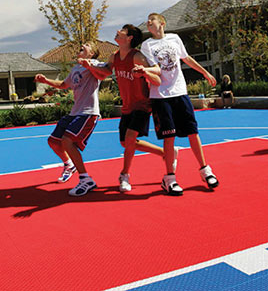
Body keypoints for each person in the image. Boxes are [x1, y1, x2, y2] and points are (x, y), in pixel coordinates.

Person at [79, 25, 177, 193]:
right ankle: (164, 153)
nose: (117, 31)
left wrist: (144, 72)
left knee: (130, 138)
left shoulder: (137, 56)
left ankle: (124, 175)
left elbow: (157, 79)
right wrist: (90, 67)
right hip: (127, 106)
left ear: (129, 38)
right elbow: (106, 71)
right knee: (126, 142)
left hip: (142, 104)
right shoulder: (114, 56)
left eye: (122, 30)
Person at [141, 13, 219, 196]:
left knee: (193, 132)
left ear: (162, 23)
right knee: (169, 136)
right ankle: (169, 178)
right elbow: (157, 69)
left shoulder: (175, 38)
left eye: (151, 19)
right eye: (147, 21)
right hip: (160, 96)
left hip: (180, 92)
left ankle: (205, 170)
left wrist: (205, 72)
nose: (148, 22)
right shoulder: (147, 45)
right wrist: (144, 71)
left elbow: (186, 58)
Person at [34, 41, 101, 197]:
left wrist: (89, 64)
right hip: (75, 112)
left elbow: (104, 73)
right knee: (53, 141)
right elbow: (64, 84)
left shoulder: (95, 64)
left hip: (88, 112)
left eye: (87, 45)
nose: (82, 45)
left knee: (67, 141)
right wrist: (46, 81)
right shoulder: (76, 68)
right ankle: (69, 165)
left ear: (91, 53)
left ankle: (86, 179)